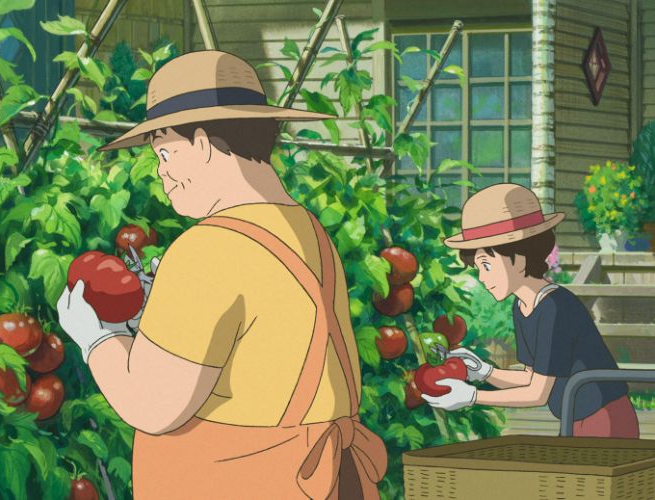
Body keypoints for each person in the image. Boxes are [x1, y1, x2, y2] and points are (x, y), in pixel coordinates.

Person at [56, 50, 387, 499]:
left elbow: (151, 405)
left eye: (166, 153)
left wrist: (94, 336)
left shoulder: (208, 250)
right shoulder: (310, 232)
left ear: (203, 143)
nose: (163, 174)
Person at [420, 183, 639, 439]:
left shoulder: (556, 307)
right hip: (573, 418)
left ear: (519, 258)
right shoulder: (523, 305)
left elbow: (537, 393)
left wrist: (473, 396)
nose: (481, 277)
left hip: (605, 419)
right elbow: (531, 378)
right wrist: (484, 371)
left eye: (486, 265)